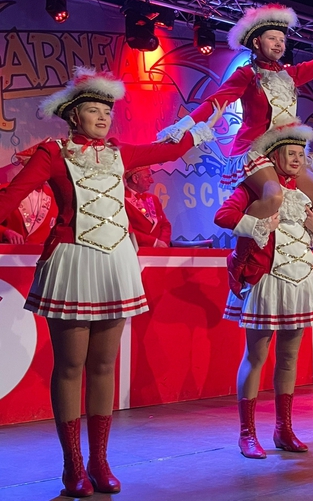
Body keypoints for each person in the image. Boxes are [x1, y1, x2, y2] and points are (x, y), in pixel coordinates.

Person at [0, 67, 221, 497]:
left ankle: (100, 461)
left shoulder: (122, 154)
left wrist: (207, 116)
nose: (103, 117)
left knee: (103, 365)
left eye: (107, 111)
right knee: (70, 366)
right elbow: (10, 196)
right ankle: (72, 465)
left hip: (115, 262)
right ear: (73, 115)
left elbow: (170, 149)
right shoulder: (52, 153)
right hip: (72, 261)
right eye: (94, 110)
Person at [158, 3, 313, 224]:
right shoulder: (247, 75)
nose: (279, 44)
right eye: (272, 38)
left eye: (282, 40)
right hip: (255, 150)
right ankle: (251, 240)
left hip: (287, 152)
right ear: (256, 42)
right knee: (274, 197)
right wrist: (184, 125)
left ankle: (298, 241)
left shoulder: (291, 75)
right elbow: (215, 102)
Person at [215, 119, 313, 458]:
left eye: (300, 154)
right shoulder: (257, 190)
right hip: (267, 280)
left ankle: (284, 429)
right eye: (290, 153)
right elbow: (223, 216)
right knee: (256, 355)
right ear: (274, 157)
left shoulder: (304, 195)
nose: (296, 160)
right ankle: (247, 434)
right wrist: (259, 225)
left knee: (289, 358)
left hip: (299, 279)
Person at [0, 140, 58, 245]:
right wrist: (4, 232)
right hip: (8, 251)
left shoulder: (55, 196)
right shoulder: (6, 191)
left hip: (39, 253)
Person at [124, 166, 172, 248]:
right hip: (135, 249)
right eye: (147, 176)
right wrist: (153, 242)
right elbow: (125, 229)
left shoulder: (153, 198)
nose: (152, 180)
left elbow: (165, 224)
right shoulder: (121, 199)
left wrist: (162, 243)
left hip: (159, 251)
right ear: (135, 178)